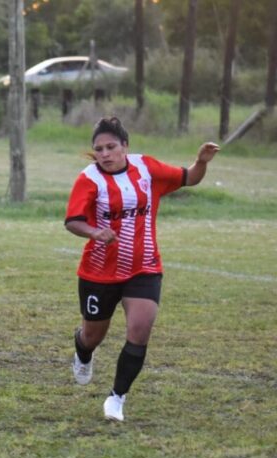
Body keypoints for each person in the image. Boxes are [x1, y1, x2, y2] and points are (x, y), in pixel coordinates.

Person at [64, 117, 219, 422]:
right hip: (99, 272)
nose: (105, 154)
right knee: (93, 335)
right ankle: (83, 351)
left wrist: (201, 162)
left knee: (140, 329)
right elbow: (72, 221)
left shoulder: (146, 168)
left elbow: (190, 178)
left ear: (125, 146)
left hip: (144, 267)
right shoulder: (89, 179)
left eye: (110, 147)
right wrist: (95, 233)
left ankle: (117, 398)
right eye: (99, 149)